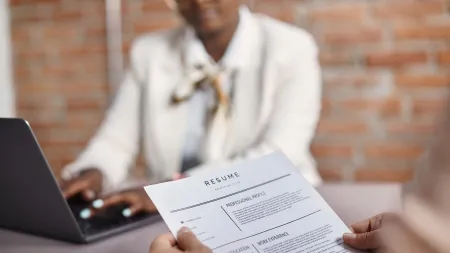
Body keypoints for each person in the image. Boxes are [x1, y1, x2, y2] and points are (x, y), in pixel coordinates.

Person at [59, 0, 323, 219]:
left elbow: (277, 155)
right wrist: (95, 173)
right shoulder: (149, 52)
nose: (198, 1)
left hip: (267, 202)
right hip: (171, 213)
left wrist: (175, 191)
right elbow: (116, 140)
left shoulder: (292, 47)